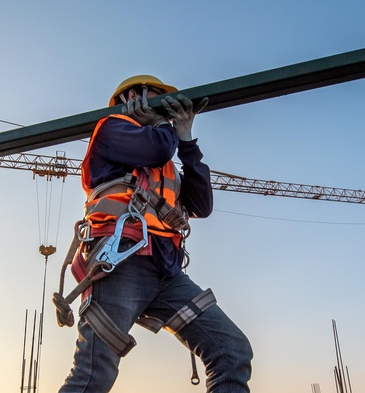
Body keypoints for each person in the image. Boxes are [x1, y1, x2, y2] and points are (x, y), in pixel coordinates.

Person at [54, 75, 253, 393]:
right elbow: (159, 147)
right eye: (159, 100)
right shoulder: (111, 129)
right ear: (133, 96)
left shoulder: (164, 159)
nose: (167, 111)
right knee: (93, 375)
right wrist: (164, 126)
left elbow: (201, 205)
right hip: (120, 262)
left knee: (231, 350)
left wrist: (186, 141)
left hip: (166, 271)